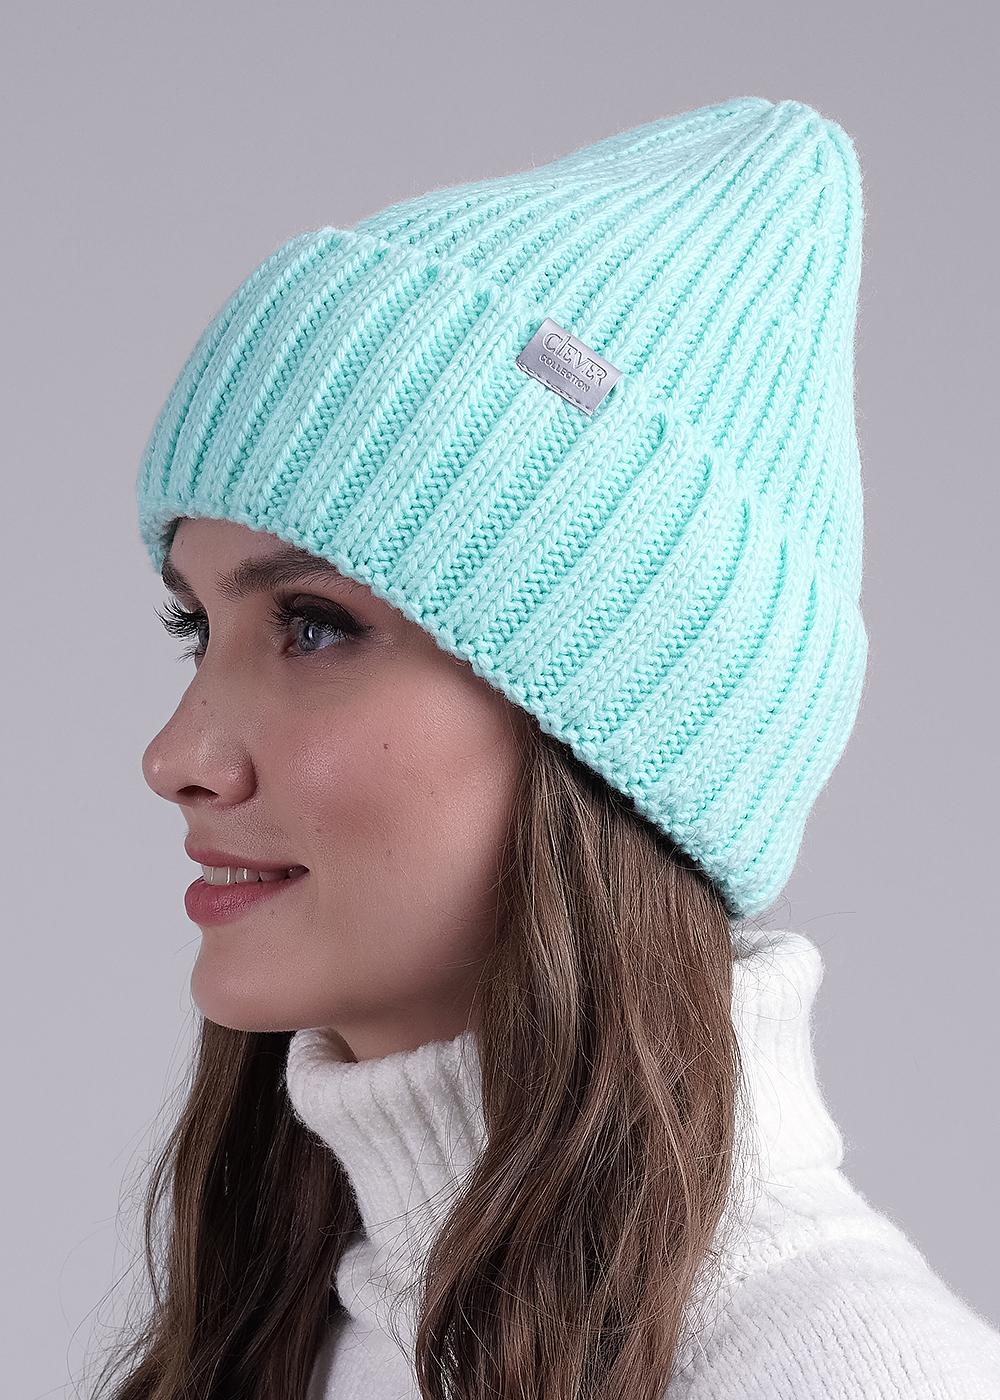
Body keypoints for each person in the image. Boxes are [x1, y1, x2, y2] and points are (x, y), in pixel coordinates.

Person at [94, 96, 1000, 1398]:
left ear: (612, 733)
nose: (177, 755)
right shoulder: (310, 1334)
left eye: (314, 625)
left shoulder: (848, 1373)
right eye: (198, 627)